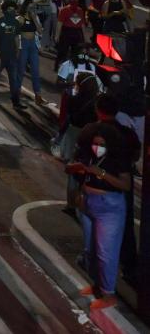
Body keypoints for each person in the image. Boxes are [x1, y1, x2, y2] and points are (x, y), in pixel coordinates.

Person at [66, 121, 131, 309]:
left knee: (105, 252)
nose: (97, 147)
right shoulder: (88, 155)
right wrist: (77, 171)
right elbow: (74, 171)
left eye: (102, 144)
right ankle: (97, 284)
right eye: (95, 143)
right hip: (88, 203)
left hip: (109, 207)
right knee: (90, 249)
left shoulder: (117, 158)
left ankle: (108, 293)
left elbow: (125, 185)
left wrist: (101, 173)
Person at [0, 0, 25, 108]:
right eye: (9, 9)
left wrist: (18, 50)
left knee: (13, 80)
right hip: (0, 55)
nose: (12, 11)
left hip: (12, 56)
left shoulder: (16, 22)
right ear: (4, 10)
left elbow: (16, 37)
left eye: (13, 9)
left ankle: (15, 101)